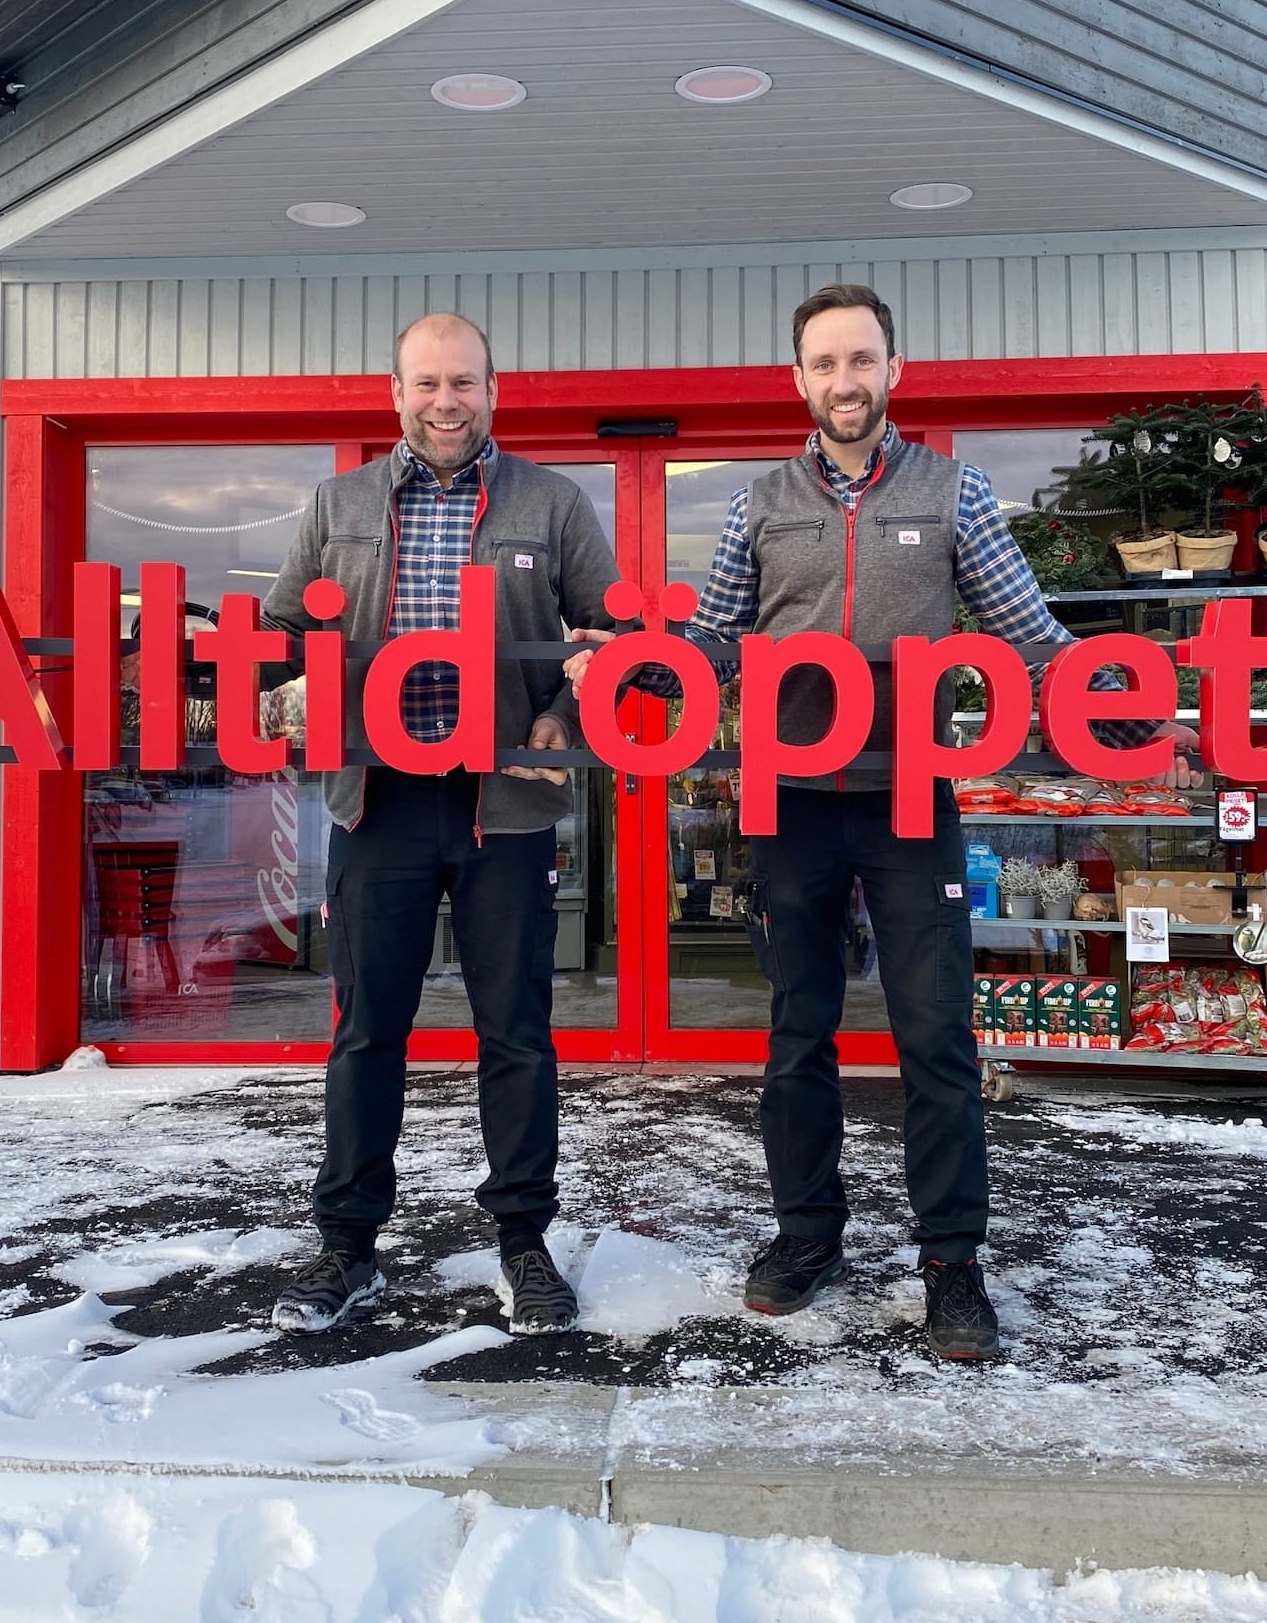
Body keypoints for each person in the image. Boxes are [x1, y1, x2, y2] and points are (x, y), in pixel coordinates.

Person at [568, 284, 1197, 1361]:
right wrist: (628, 664)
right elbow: (714, 642)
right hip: (792, 804)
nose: (844, 380)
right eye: (825, 362)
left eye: (861, 359)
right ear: (798, 379)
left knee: (936, 1037)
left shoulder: (953, 490)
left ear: (893, 370)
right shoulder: (758, 503)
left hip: (912, 798)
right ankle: (807, 1234)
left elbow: (1031, 635)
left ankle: (951, 1263)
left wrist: (1140, 719)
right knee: (798, 1034)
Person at [262, 313, 618, 1335]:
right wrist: (287, 691)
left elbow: (607, 634)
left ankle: (523, 1242)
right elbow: (281, 630)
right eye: (426, 383)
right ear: (396, 393)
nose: (445, 402)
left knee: (517, 1031)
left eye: (463, 382)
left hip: (505, 802)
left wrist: (562, 715)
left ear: (492, 390)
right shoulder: (338, 505)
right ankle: (346, 1246)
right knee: (367, 1029)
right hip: (377, 800)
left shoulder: (551, 501)